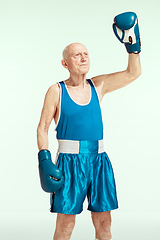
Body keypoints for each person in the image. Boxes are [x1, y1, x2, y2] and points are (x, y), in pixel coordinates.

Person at [37, 12, 142, 240]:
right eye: (77, 55)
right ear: (65, 63)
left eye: (86, 54)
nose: (83, 58)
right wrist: (44, 159)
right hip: (69, 162)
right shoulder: (56, 91)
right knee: (66, 225)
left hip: (99, 160)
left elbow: (134, 73)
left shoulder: (98, 86)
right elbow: (42, 128)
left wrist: (133, 46)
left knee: (104, 223)